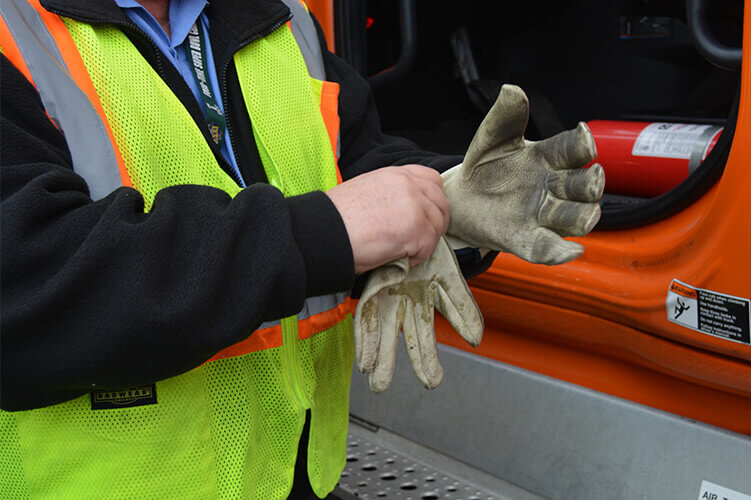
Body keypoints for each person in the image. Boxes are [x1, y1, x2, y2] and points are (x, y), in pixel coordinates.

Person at [0, 0, 494, 498]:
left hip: (292, 475)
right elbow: (27, 288)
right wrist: (324, 233)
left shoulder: (281, 16)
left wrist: (455, 197)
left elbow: (356, 157)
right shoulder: (12, 32)